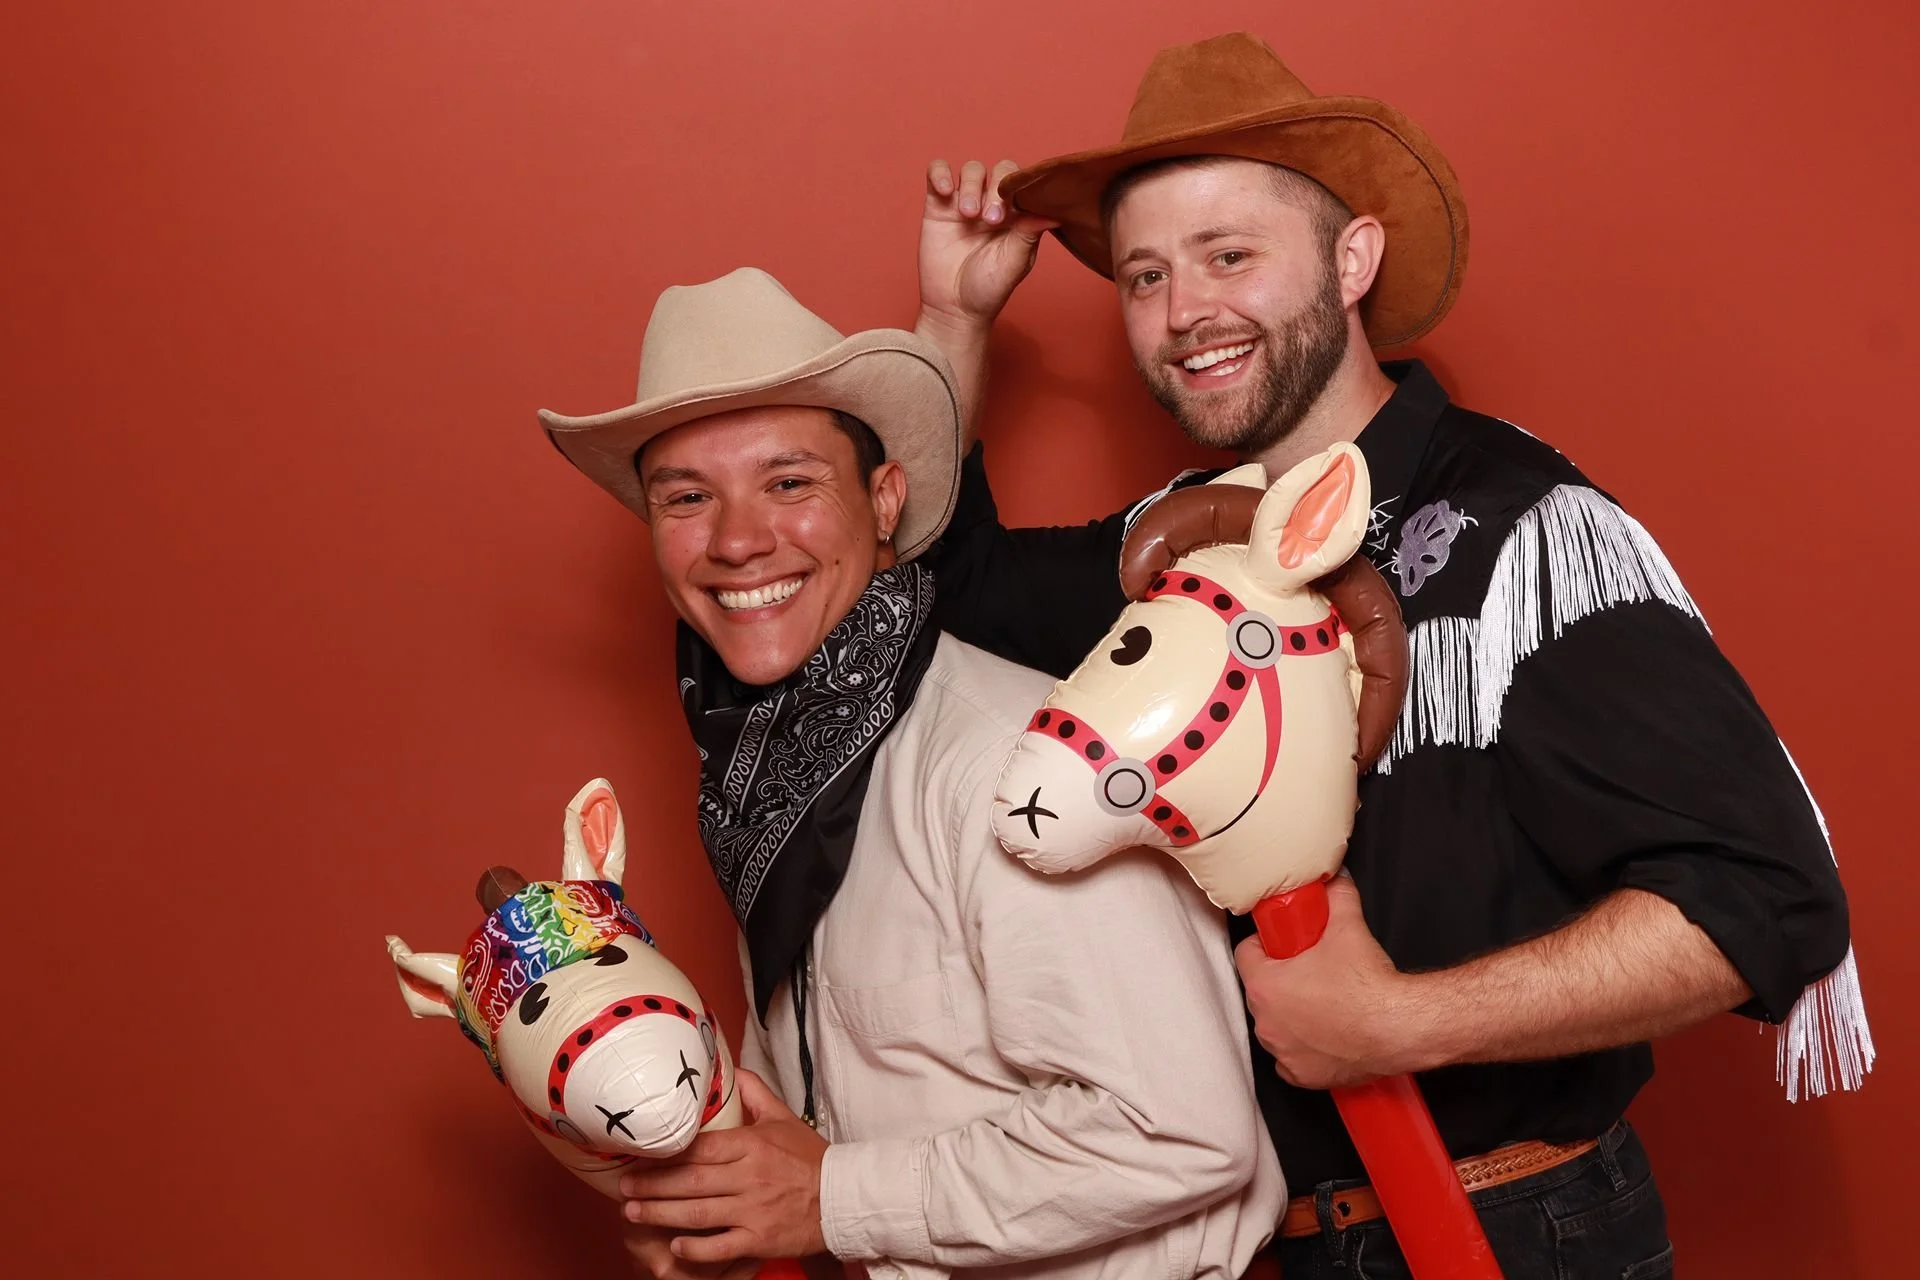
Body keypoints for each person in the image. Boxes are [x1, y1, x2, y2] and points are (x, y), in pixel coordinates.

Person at [908, 31, 1870, 1278]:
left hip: (1514, 1229)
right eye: (1145, 275)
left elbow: (1765, 895)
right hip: (1269, 1243)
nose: (1183, 311)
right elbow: (944, 583)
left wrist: (1398, 1022)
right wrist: (953, 317)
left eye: (1229, 254)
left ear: (1351, 259)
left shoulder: (1529, 533)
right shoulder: (1184, 548)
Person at [535, 266, 1284, 1280]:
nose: (738, 539)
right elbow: (820, 1121)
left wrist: (829, 1198)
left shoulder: (1014, 761)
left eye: (789, 482)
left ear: (885, 500)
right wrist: (722, 1216)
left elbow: (1182, 1128)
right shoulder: (768, 782)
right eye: (688, 497)